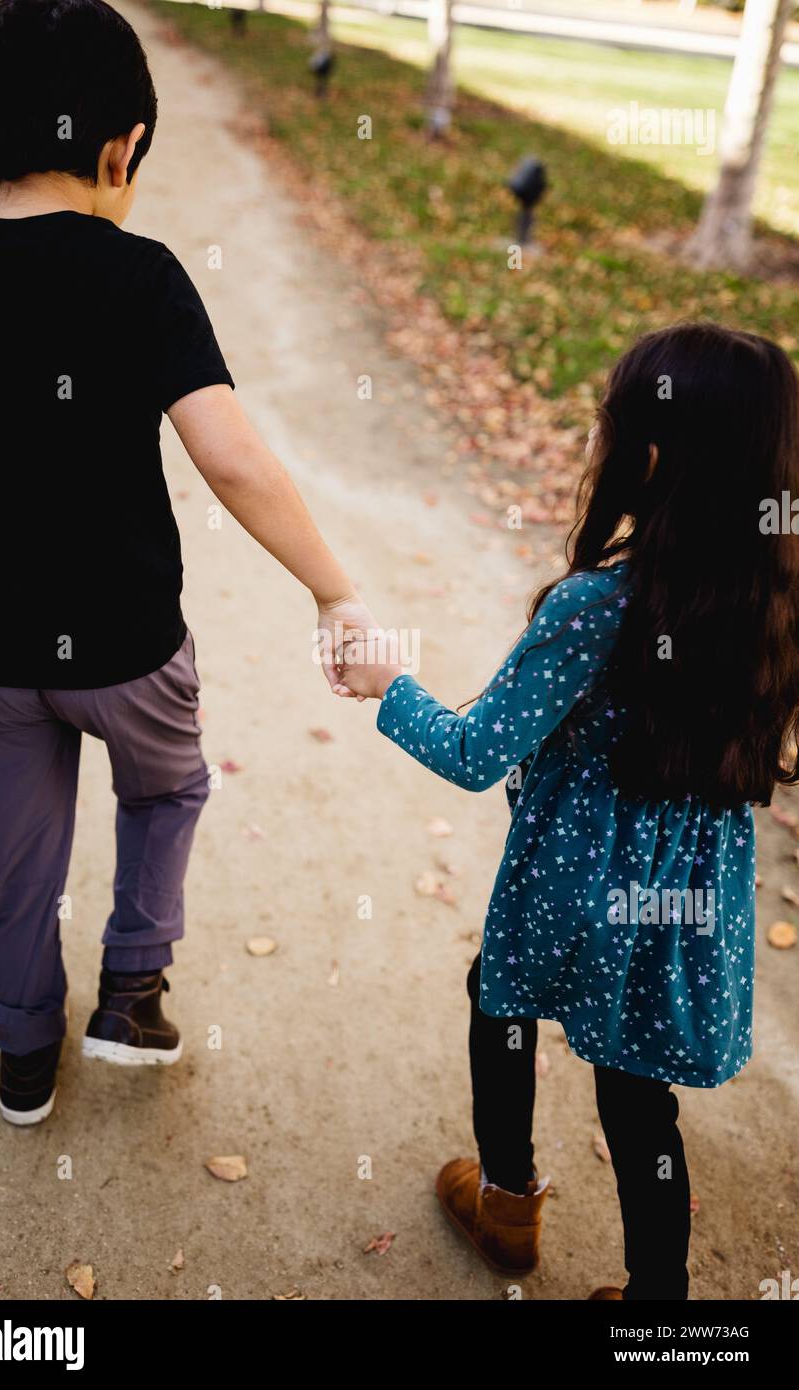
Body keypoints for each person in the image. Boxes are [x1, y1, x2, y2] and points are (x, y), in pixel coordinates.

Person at [0, 0, 372, 1124]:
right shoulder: (143, 274)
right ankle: (132, 991)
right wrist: (332, 588)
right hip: (126, 639)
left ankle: (24, 1051)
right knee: (167, 786)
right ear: (121, 147)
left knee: (7, 866)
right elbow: (230, 458)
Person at [334, 322, 799, 1299]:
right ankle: (657, 1300)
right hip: (684, 899)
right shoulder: (775, 599)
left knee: (496, 1005)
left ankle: (504, 1205)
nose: (593, 439)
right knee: (636, 1094)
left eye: (605, 421)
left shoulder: (600, 605)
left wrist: (388, 683)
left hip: (569, 882)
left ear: (652, 454)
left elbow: (471, 752)